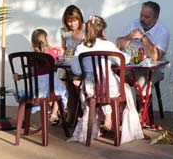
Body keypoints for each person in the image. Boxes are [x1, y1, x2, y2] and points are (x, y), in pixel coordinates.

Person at [70, 16, 145, 144]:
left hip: (90, 90)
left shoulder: (81, 47)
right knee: (126, 89)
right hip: (109, 89)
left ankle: (105, 119)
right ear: (103, 30)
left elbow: (76, 70)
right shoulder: (107, 45)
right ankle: (113, 120)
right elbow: (123, 60)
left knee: (102, 92)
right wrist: (125, 54)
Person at [14, 28, 68, 125]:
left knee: (54, 91)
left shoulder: (31, 56)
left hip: (37, 91)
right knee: (60, 90)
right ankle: (54, 113)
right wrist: (56, 48)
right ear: (47, 38)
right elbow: (62, 56)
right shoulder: (53, 52)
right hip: (51, 89)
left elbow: (31, 73)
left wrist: (20, 77)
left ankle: (54, 113)